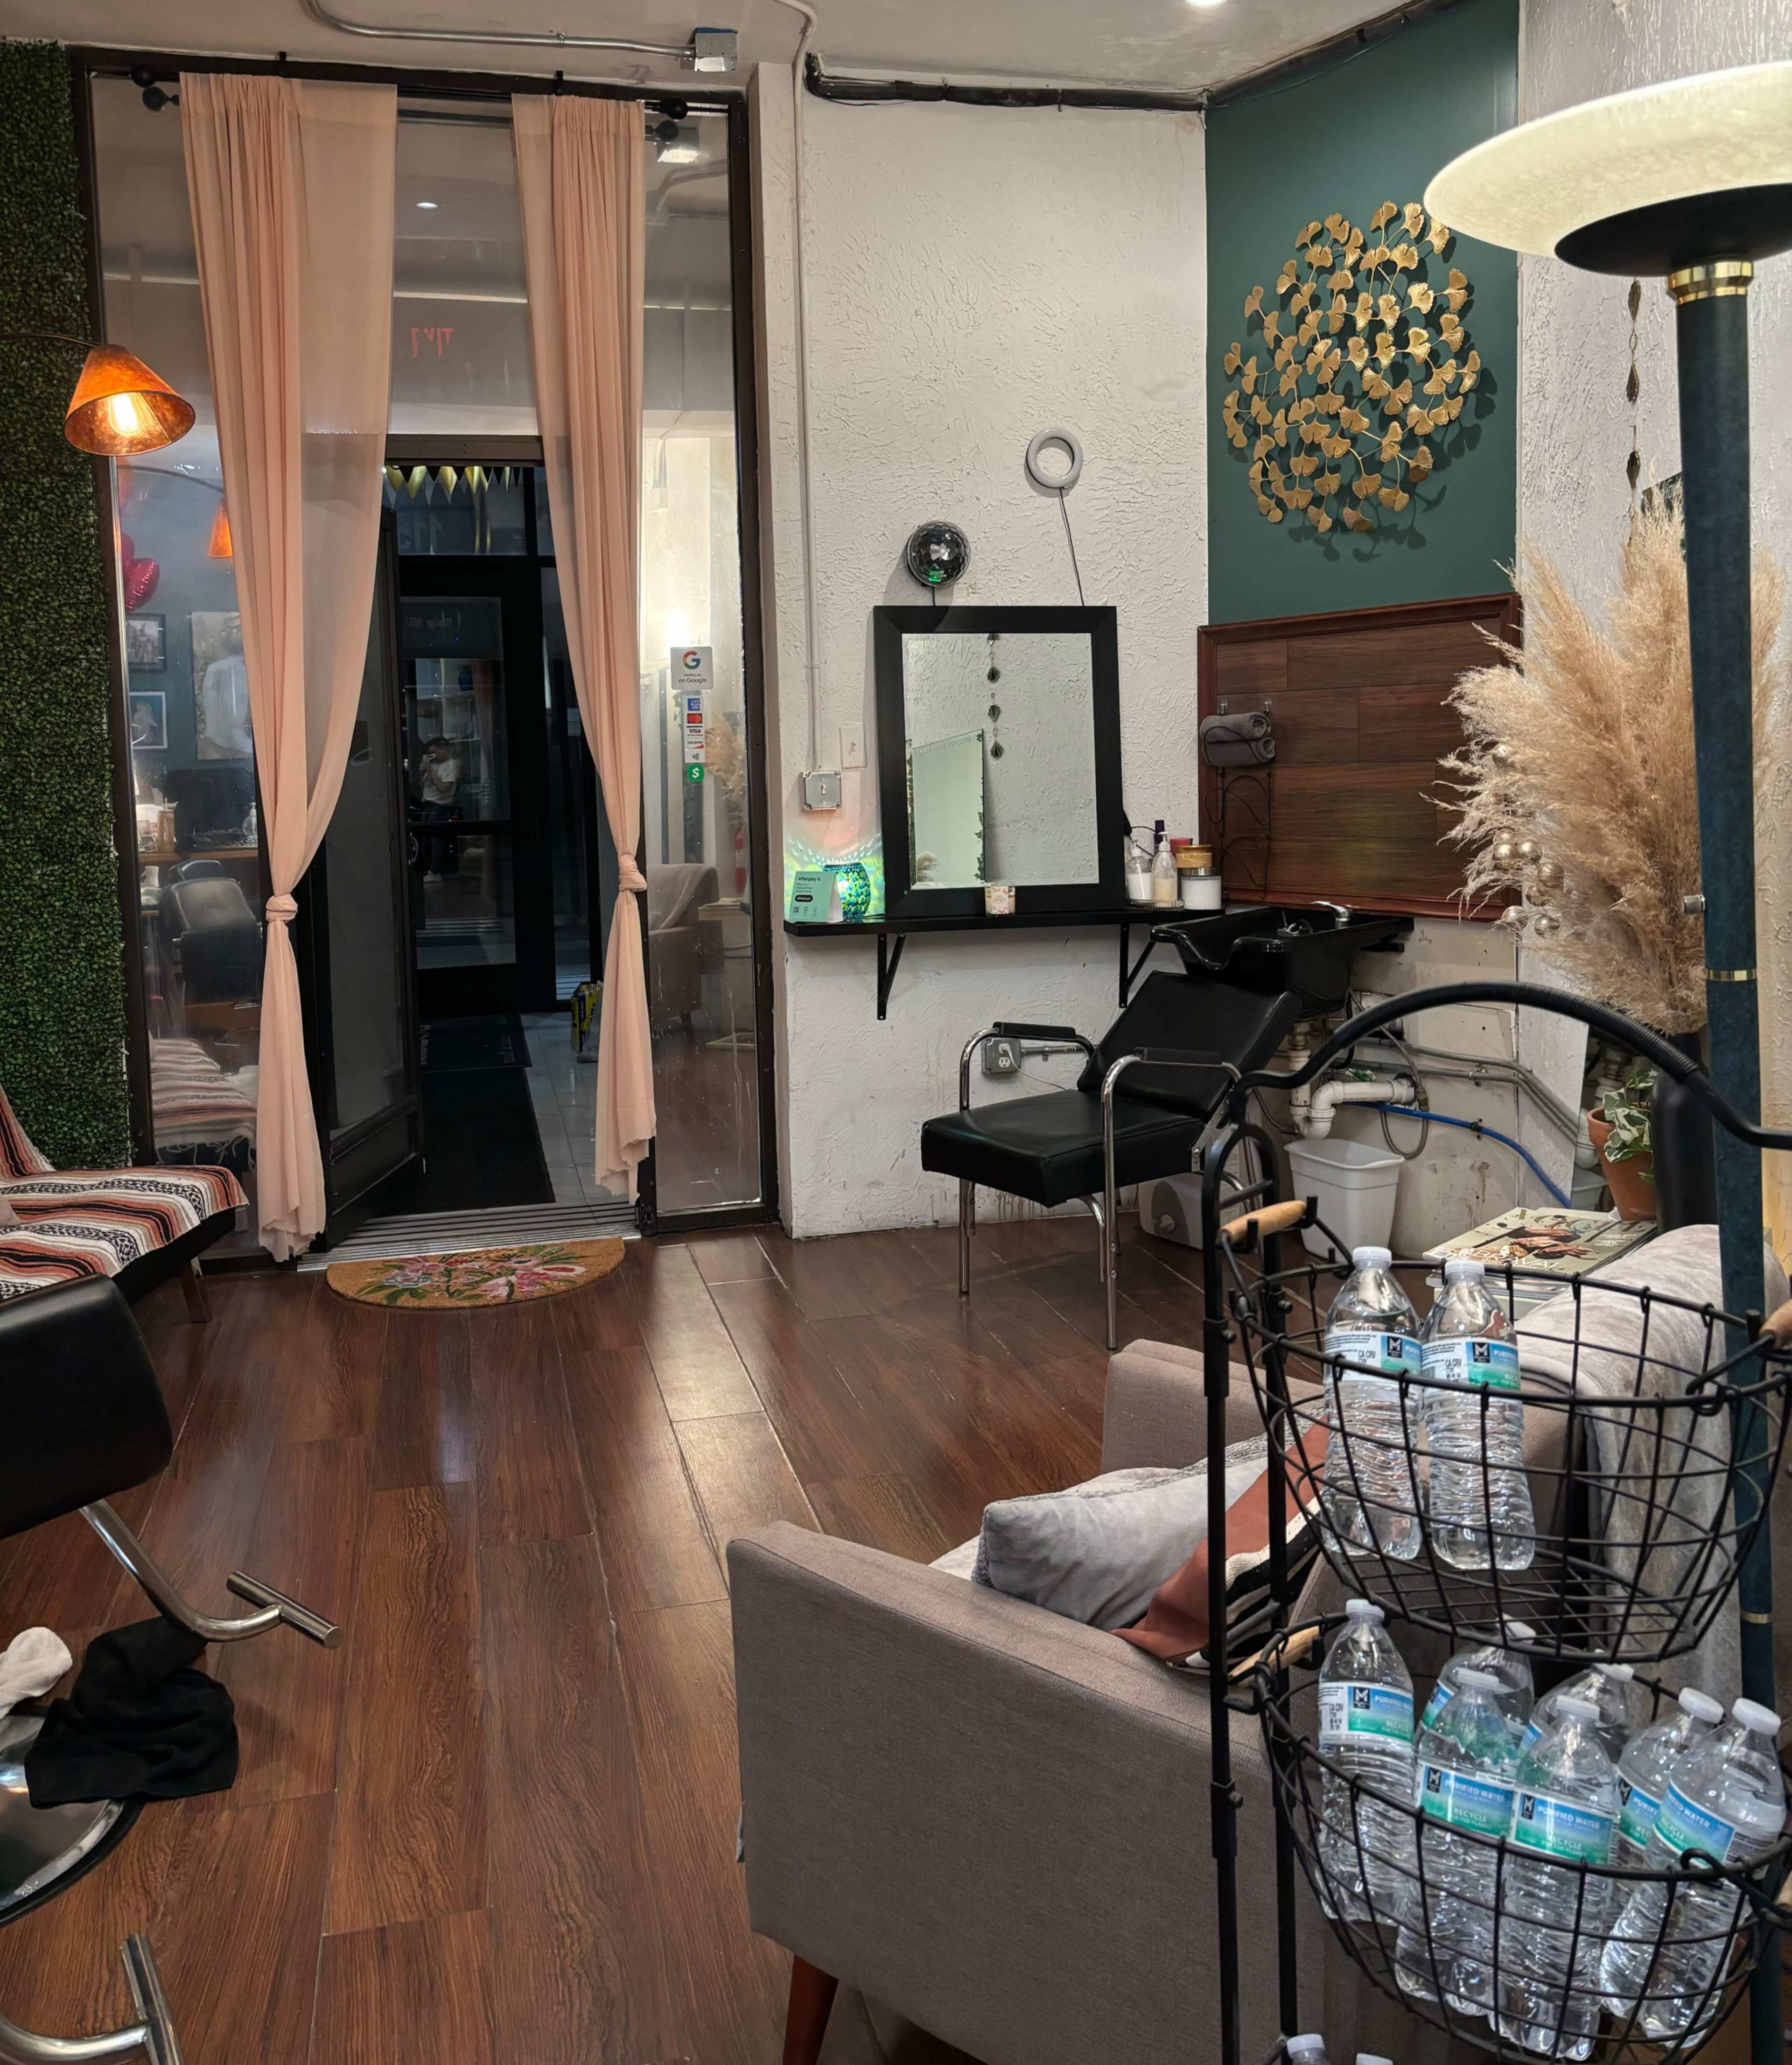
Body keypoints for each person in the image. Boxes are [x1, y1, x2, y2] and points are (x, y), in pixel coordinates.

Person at [418, 734, 461, 881]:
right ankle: (426, 869)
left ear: (444, 749)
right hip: (428, 804)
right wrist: (421, 771)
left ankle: (436, 872)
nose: (433, 757)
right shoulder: (434, 764)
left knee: (436, 839)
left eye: (434, 753)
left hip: (441, 805)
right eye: (430, 754)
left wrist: (431, 771)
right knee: (425, 839)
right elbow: (421, 786)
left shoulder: (452, 765)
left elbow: (443, 788)